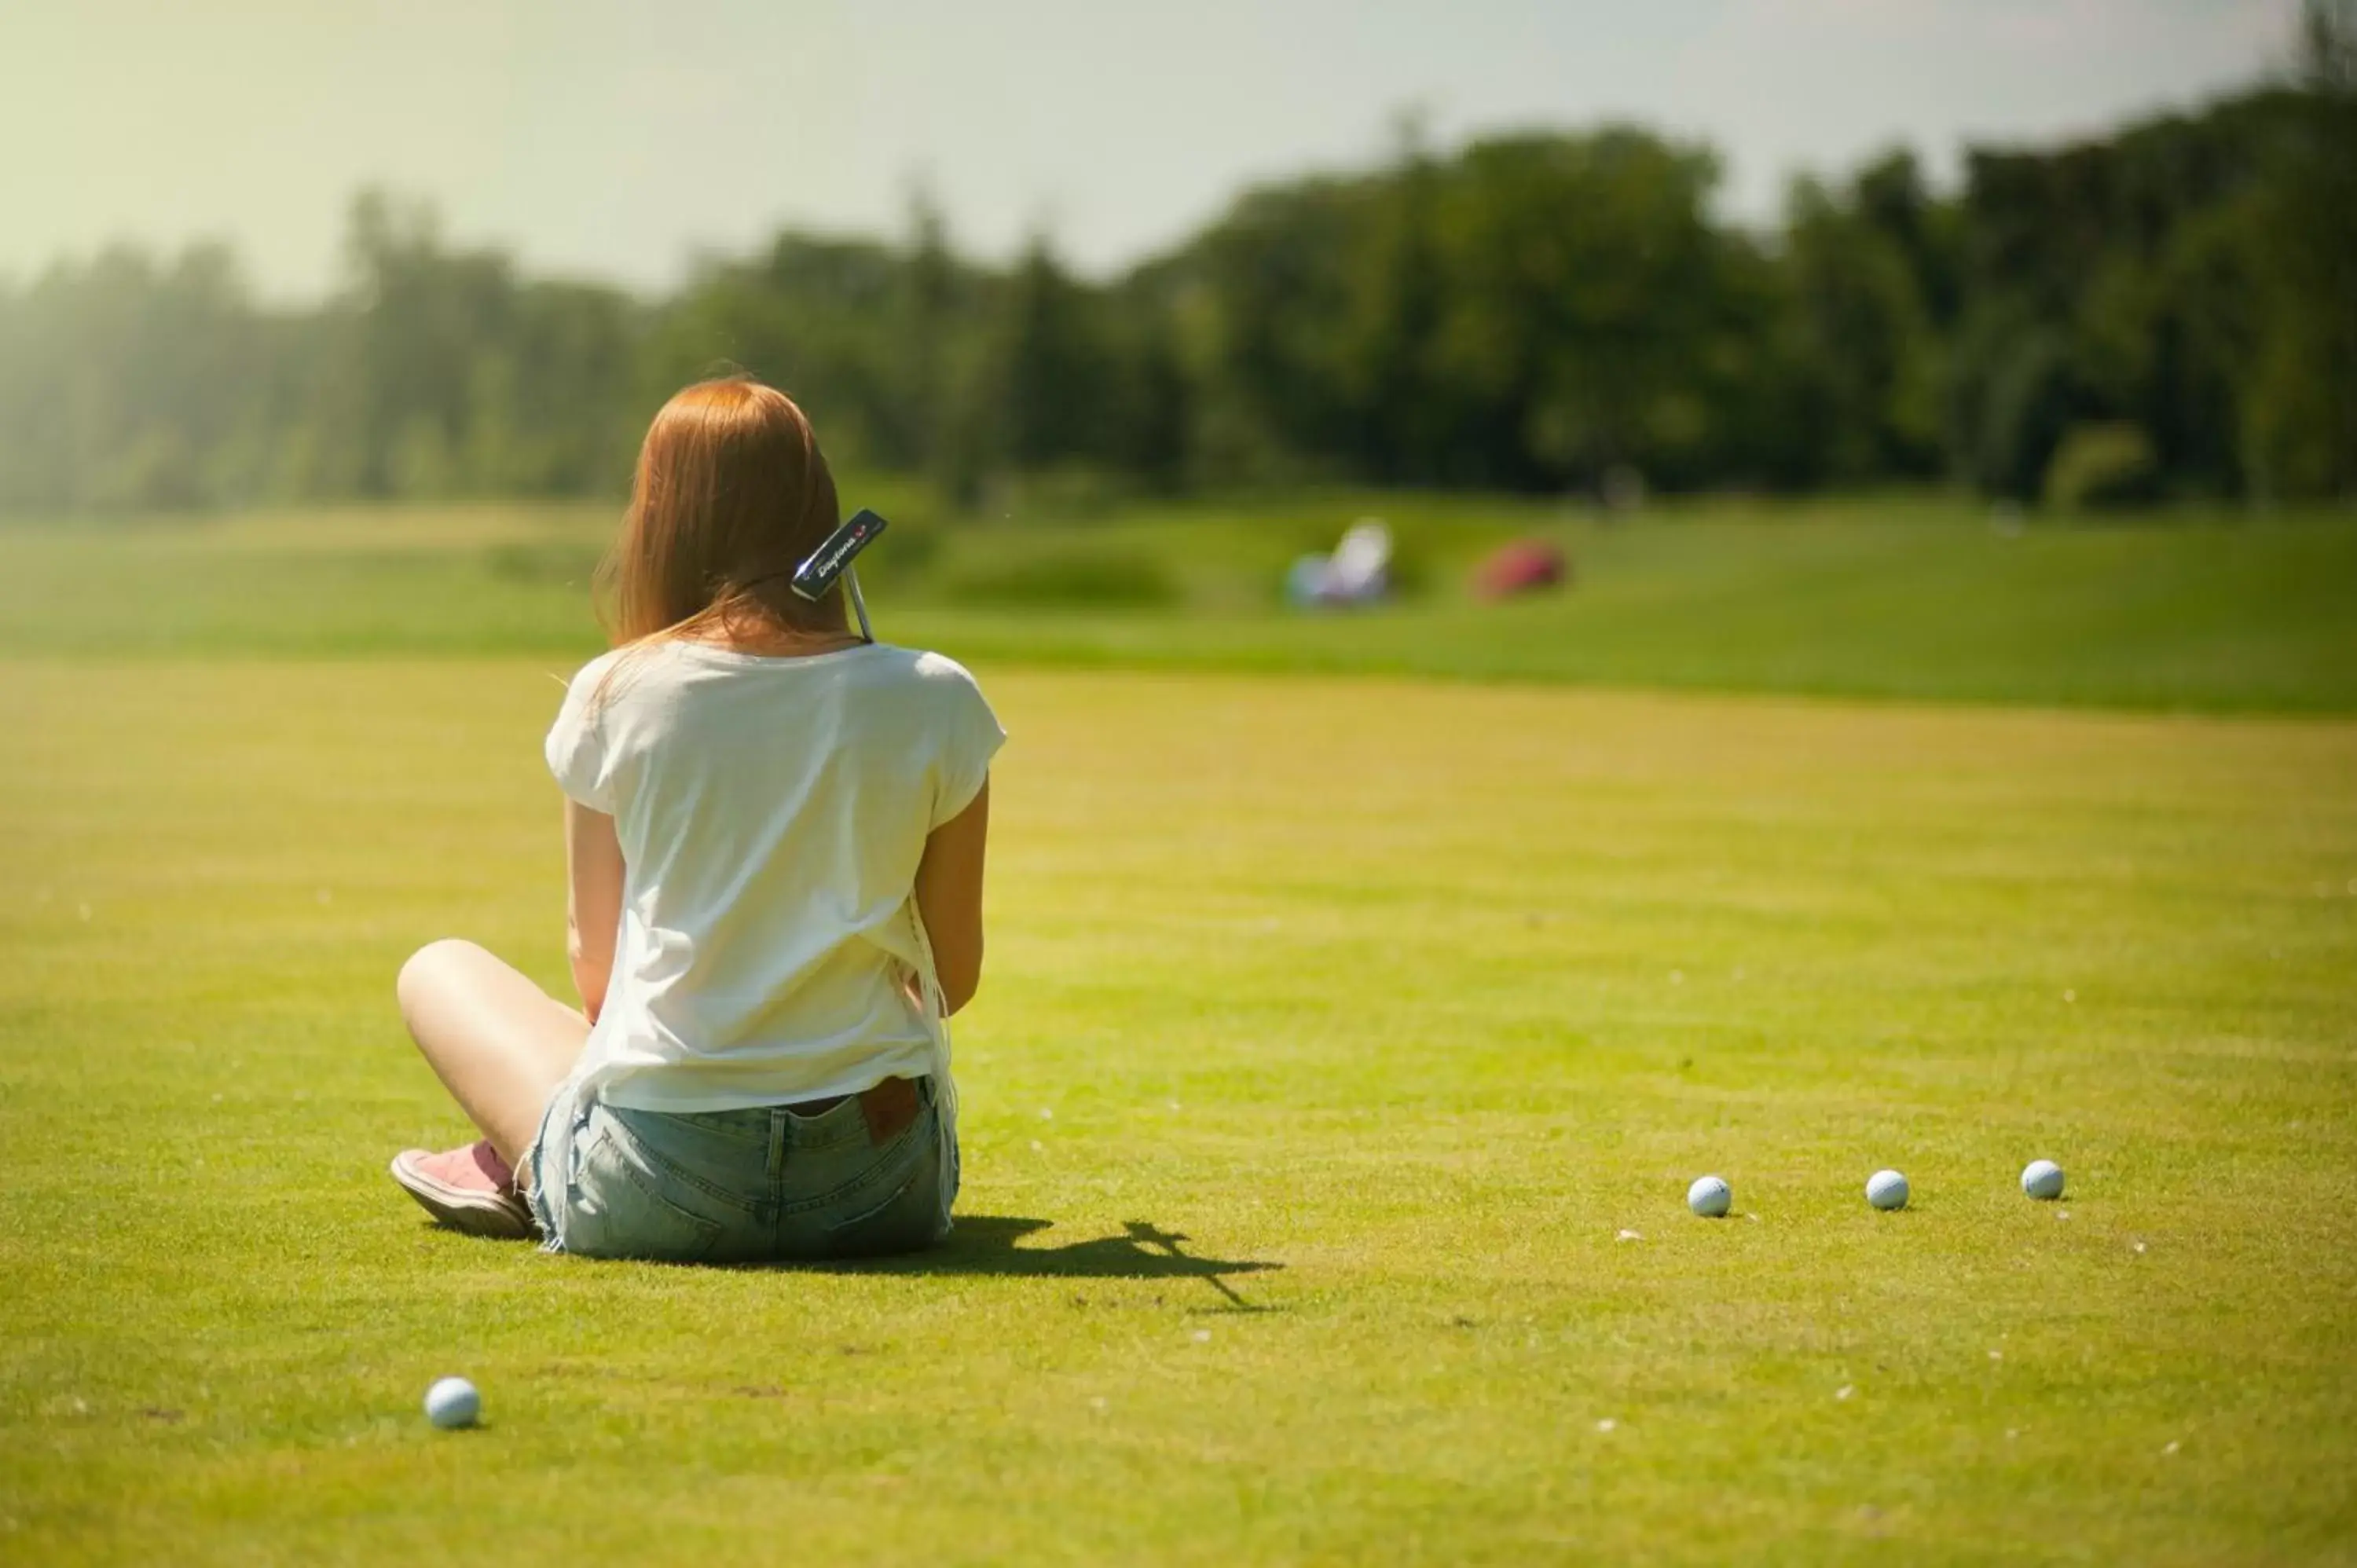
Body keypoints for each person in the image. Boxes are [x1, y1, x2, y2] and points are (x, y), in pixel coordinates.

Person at [387, 376, 1004, 1262]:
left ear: (663, 520)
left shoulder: (616, 691)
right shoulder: (939, 696)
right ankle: (541, 1155)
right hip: (880, 1189)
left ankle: (537, 1161)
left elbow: (597, 980)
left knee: (437, 968)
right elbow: (951, 978)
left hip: (657, 1181)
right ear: (819, 510)